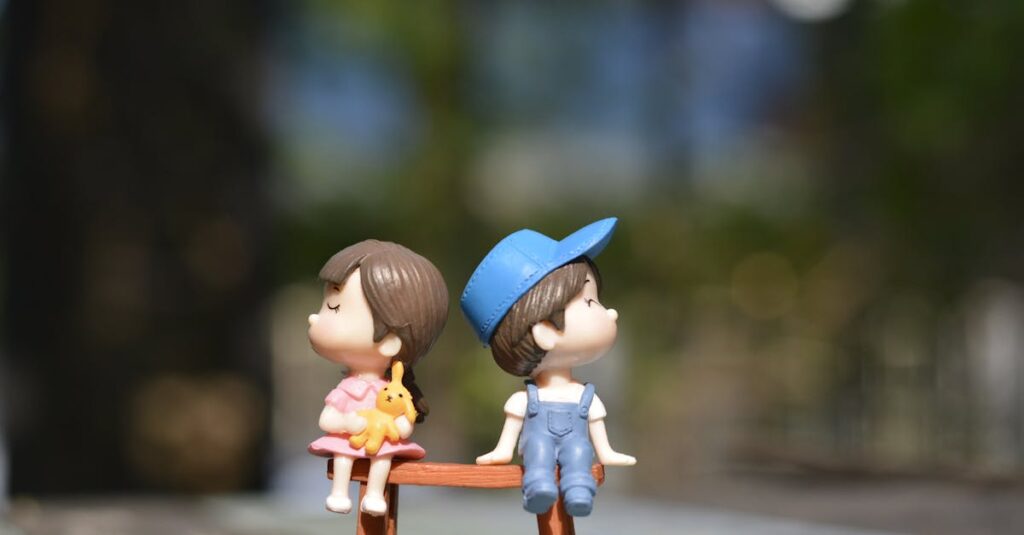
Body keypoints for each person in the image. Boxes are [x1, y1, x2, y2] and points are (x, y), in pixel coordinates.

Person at [461, 217, 636, 517]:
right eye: (590, 301)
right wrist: (502, 452)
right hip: (537, 441)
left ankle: (580, 489)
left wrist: (606, 453)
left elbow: (596, 430)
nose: (611, 311)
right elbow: (513, 429)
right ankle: (538, 487)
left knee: (580, 452)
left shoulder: (585, 395)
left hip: (575, 442)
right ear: (546, 331)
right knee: (538, 453)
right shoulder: (525, 399)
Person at [307, 240, 448, 516]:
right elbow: (328, 420)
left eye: (334, 307)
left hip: (379, 441)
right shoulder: (349, 389)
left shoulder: (394, 391)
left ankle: (374, 494)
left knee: (383, 456)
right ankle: (339, 492)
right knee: (343, 455)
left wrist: (391, 427)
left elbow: (404, 426)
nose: (314, 318)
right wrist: (350, 422)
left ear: (390, 340)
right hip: (352, 440)